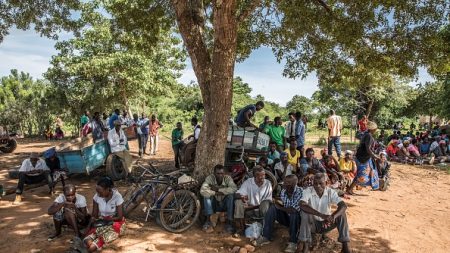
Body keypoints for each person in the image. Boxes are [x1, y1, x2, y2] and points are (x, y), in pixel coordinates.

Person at [297, 173, 351, 253]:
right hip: (312, 225)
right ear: (312, 183)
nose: (318, 186)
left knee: (341, 214)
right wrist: (322, 215)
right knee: (305, 213)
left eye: (321, 183)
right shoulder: (308, 191)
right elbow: (302, 205)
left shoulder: (330, 192)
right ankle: (305, 245)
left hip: (326, 224)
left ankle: (345, 247)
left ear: (326, 183)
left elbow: (343, 206)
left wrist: (332, 217)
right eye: (315, 183)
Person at [254, 175, 302, 253]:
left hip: (298, 221)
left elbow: (293, 210)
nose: (285, 184)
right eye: (285, 182)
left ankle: (293, 242)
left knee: (294, 214)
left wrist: (279, 208)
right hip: (287, 218)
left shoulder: (300, 191)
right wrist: (277, 204)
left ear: (295, 183)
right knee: (273, 208)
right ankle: (266, 236)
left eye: (288, 183)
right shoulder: (284, 191)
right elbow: (284, 205)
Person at [82, 177, 125, 252]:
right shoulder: (96, 197)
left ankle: (92, 247)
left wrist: (106, 220)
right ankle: (90, 246)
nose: (98, 194)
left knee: (95, 244)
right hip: (102, 221)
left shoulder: (117, 197)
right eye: (97, 191)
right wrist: (88, 227)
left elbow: (120, 217)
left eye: (100, 192)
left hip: (115, 222)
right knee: (87, 240)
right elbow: (94, 215)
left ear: (108, 189)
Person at [234, 166, 272, 234]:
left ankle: (266, 228)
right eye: (259, 175)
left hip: (262, 210)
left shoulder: (268, 183)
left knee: (265, 203)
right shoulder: (248, 182)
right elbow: (237, 194)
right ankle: (240, 227)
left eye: (263, 175)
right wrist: (241, 197)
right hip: (250, 210)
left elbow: (268, 201)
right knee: (238, 201)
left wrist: (253, 206)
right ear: (254, 176)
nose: (262, 177)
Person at [200, 164, 237, 234]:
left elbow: (234, 188)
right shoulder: (210, 178)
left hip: (224, 205)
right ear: (214, 173)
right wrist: (215, 193)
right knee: (206, 196)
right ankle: (208, 221)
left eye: (222, 173)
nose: (220, 175)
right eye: (218, 173)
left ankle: (229, 222)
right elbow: (203, 190)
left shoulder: (228, 179)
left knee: (230, 196)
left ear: (224, 173)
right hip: (214, 205)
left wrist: (218, 190)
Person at [347, 121, 380, 195]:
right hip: (363, 158)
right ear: (372, 129)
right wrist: (374, 156)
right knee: (362, 176)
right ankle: (349, 189)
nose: (375, 131)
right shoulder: (368, 136)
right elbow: (368, 148)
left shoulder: (365, 134)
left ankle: (350, 188)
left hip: (361, 157)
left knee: (361, 174)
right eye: (375, 129)